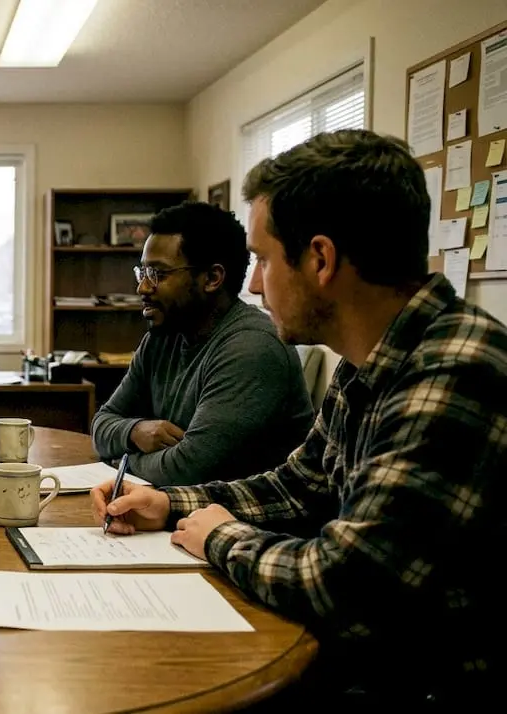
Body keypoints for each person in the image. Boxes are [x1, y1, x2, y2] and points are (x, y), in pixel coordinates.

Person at [92, 129, 506, 707]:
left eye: (262, 260)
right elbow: (300, 485)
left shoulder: (455, 374)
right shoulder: (374, 362)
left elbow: (344, 586)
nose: (255, 284)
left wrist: (220, 536)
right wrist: (170, 504)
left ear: (320, 260)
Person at [91, 201, 313, 486]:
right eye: (142, 273)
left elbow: (188, 470)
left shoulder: (251, 347)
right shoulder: (162, 337)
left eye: (158, 274)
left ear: (212, 278)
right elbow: (101, 424)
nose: (142, 287)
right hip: (177, 513)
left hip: (248, 523)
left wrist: (120, 462)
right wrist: (135, 431)